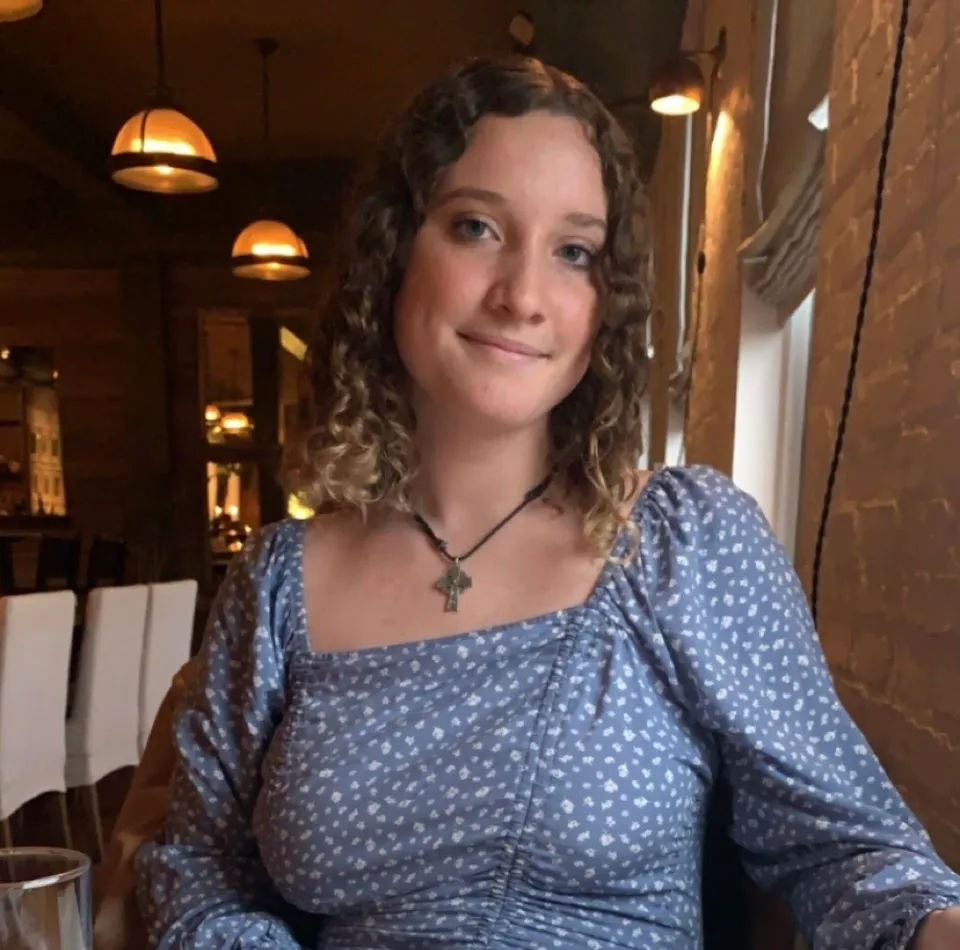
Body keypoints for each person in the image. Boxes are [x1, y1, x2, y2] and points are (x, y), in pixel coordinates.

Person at [128, 54, 960, 950]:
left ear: (607, 303)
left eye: (574, 252)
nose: (522, 296)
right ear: (394, 253)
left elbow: (850, 852)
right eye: (476, 227)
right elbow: (196, 867)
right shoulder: (277, 583)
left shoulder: (680, 541)